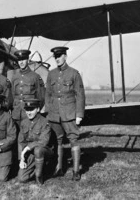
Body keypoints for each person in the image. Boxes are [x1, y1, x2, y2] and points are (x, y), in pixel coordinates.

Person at [45, 46, 85, 181]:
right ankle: (59, 168)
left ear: (65, 57)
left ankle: (76, 171)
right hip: (55, 114)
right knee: (58, 140)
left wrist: (79, 114)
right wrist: (48, 111)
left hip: (69, 113)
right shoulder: (51, 74)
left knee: (74, 139)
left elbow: (80, 95)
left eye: (60, 56)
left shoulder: (74, 73)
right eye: (55, 57)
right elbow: (48, 94)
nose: (57, 59)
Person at [18, 99, 53, 185]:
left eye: (31, 110)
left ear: (37, 109)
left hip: (45, 151)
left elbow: (44, 141)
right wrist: (21, 159)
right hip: (30, 154)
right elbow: (21, 141)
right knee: (22, 178)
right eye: (27, 110)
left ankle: (39, 175)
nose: (29, 113)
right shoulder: (24, 123)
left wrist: (28, 147)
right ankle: (39, 168)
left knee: (38, 150)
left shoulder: (45, 122)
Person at [11, 50, 45, 127]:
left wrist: (35, 111)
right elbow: (12, 95)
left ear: (27, 59)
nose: (21, 62)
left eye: (23, 59)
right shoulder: (14, 77)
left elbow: (41, 96)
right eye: (19, 60)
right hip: (16, 114)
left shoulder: (35, 77)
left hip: (29, 114)